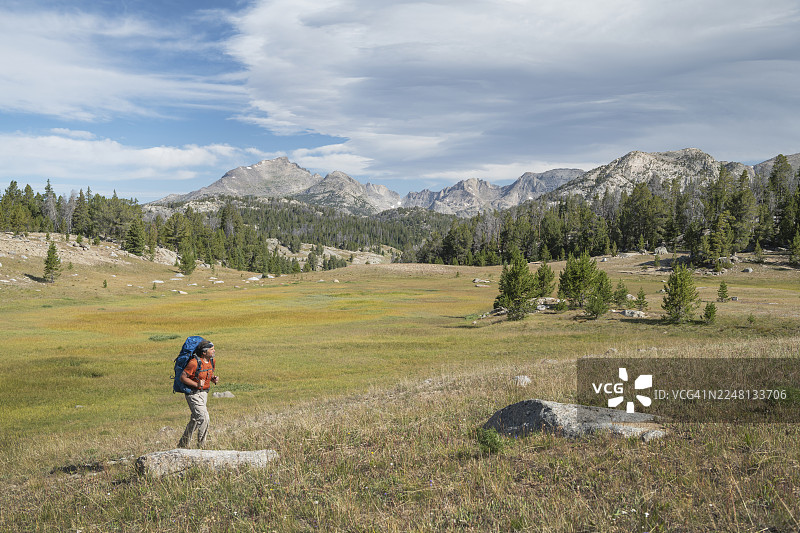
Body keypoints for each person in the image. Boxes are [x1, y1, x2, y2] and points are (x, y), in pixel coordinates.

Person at [177, 339, 219, 448]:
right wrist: (197, 385)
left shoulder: (211, 361)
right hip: (193, 394)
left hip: (204, 393)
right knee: (204, 418)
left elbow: (207, 373)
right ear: (204, 352)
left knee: (195, 420)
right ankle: (202, 447)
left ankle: (182, 445)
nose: (214, 351)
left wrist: (213, 378)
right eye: (212, 349)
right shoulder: (194, 363)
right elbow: (182, 377)